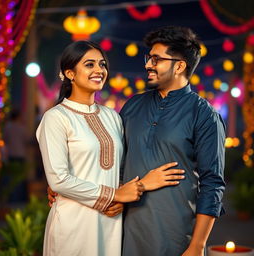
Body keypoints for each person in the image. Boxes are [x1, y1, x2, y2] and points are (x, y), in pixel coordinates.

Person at [37, 40, 185, 256]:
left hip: (110, 221)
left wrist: (122, 196)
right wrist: (115, 194)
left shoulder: (112, 117)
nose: (99, 70)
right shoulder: (56, 118)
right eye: (89, 65)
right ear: (70, 73)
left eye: (102, 64)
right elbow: (59, 179)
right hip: (74, 221)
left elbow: (120, 166)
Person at [120, 26, 226, 256]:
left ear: (179, 66)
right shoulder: (132, 106)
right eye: (149, 58)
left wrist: (197, 246)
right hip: (126, 231)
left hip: (176, 235)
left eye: (156, 59)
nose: (148, 64)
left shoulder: (204, 115)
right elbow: (111, 160)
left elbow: (213, 183)